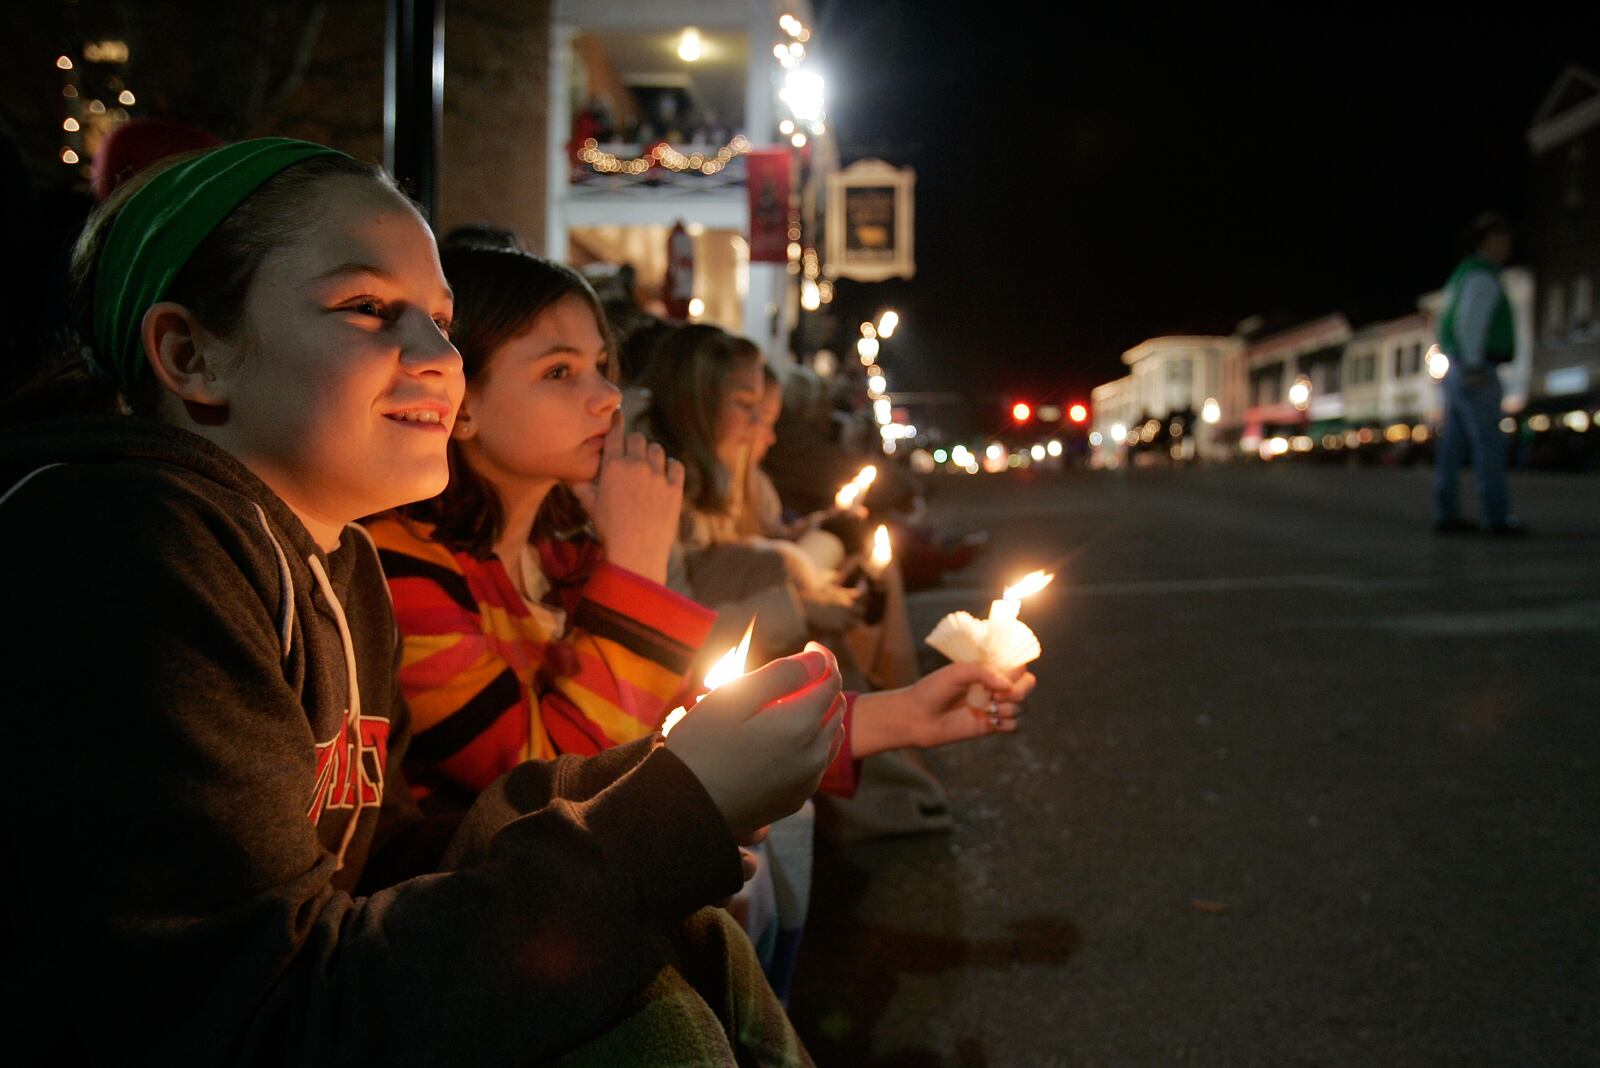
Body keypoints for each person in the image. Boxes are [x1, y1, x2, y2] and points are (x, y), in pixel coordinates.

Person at [0, 138, 844, 1063]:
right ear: (190, 353)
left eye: (440, 320)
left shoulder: (339, 561)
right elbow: (260, 1012)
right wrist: (672, 814)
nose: (440, 357)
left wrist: (659, 787)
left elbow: (382, 855)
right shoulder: (121, 551)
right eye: (367, 309)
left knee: (697, 938)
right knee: (651, 1027)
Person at [366, 246, 717, 806]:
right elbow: (557, 786)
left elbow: (682, 716)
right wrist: (637, 567)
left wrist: (892, 721)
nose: (608, 398)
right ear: (462, 401)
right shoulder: (399, 568)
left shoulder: (557, 556)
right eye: (560, 371)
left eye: (601, 367)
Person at [1432, 212, 1525, 536]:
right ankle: (1495, 516)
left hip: (1457, 368)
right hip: (1476, 368)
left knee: (1453, 446)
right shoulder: (1483, 276)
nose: (1508, 246)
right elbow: (1470, 324)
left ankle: (1446, 513)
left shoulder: (1463, 274)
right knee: (1488, 444)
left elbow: (1456, 321)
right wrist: (1473, 367)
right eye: (1503, 239)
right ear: (1488, 240)